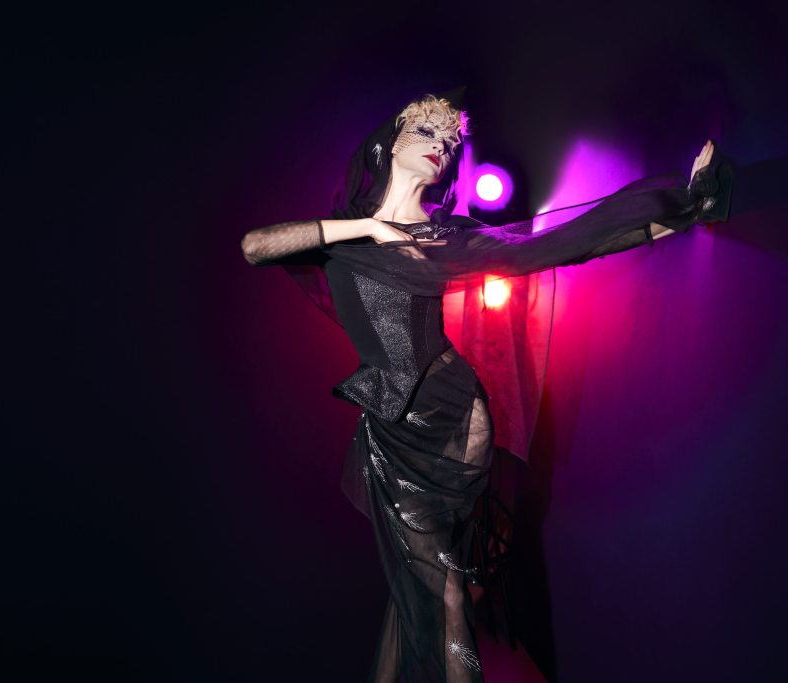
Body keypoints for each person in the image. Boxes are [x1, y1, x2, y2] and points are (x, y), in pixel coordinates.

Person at [241, 92, 730, 683]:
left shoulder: (444, 237)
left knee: (443, 586)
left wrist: (681, 209)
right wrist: (369, 227)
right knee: (412, 584)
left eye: (451, 143)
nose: (441, 147)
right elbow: (254, 247)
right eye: (428, 132)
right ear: (389, 142)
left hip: (450, 415)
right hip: (388, 429)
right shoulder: (345, 234)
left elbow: (562, 245)